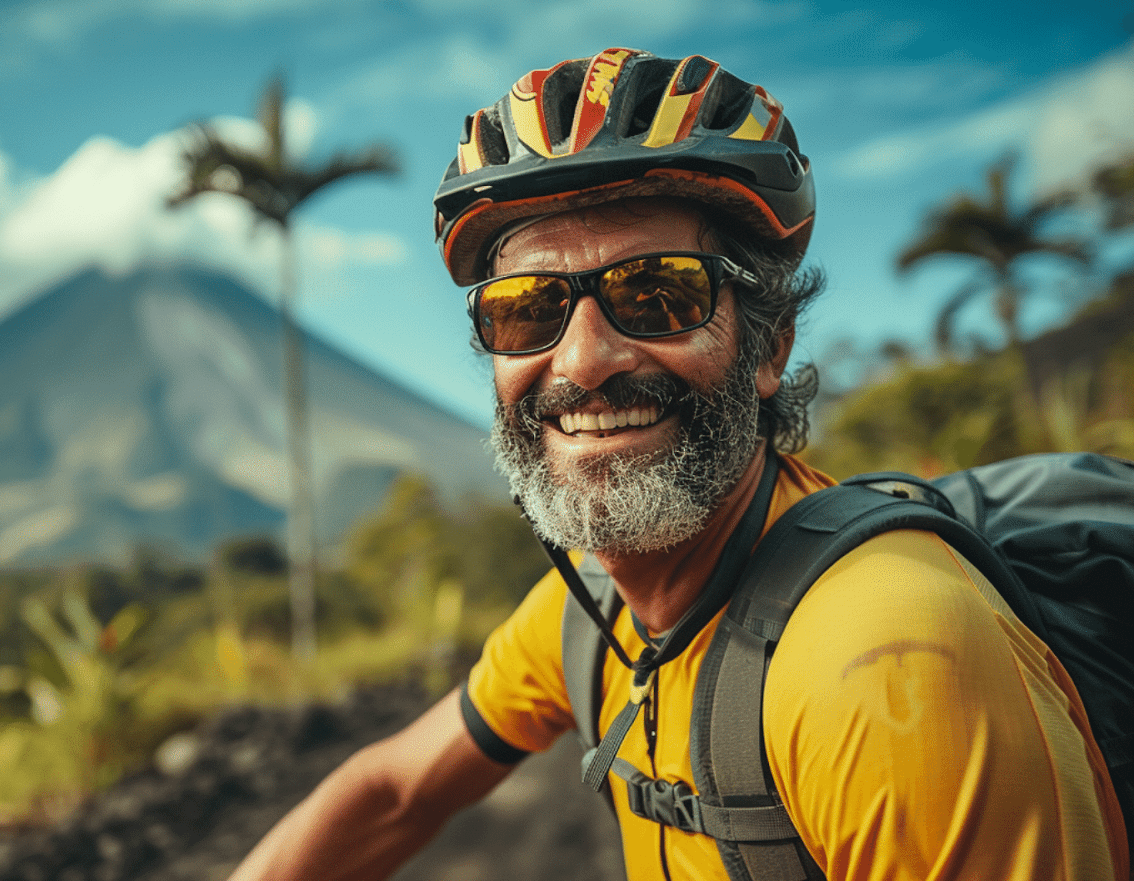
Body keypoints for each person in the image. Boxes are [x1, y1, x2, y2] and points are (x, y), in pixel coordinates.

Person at [226, 47, 1129, 881]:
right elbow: (394, 795)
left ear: (767, 344)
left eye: (656, 294)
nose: (580, 362)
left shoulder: (889, 665)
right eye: (527, 309)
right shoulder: (593, 610)